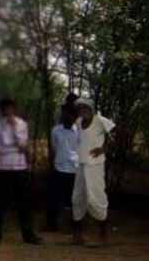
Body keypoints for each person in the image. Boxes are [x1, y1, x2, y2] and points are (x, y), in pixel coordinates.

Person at [0, 98, 42, 246]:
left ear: (14, 109)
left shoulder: (22, 124)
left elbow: (23, 145)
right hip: (3, 168)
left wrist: (14, 131)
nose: (9, 111)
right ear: (2, 110)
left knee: (24, 202)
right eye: (6, 109)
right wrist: (14, 146)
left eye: (11, 108)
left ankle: (28, 234)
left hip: (20, 167)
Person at [72, 98, 116, 247]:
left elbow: (116, 134)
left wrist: (103, 148)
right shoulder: (78, 122)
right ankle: (77, 236)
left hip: (95, 166)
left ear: (91, 108)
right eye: (80, 108)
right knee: (78, 198)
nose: (82, 110)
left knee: (96, 197)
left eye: (85, 108)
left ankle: (103, 235)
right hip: (81, 165)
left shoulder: (100, 120)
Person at [46, 103, 79, 232]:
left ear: (75, 116)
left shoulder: (79, 132)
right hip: (59, 168)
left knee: (73, 199)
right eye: (65, 113)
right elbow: (54, 147)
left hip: (74, 169)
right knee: (54, 198)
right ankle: (51, 225)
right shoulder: (55, 130)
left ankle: (74, 226)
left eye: (71, 114)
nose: (68, 116)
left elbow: (80, 149)